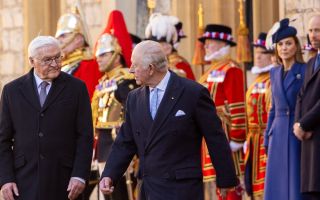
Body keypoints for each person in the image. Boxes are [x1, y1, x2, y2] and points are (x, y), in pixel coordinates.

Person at [99, 40, 239, 200]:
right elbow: (125, 142)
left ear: (151, 68)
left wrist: (226, 179)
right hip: (148, 188)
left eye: (135, 65)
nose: (130, 70)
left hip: (181, 189)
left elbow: (215, 138)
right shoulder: (134, 98)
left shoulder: (193, 92)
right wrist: (110, 174)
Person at [0, 36, 93, 200]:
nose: (55, 64)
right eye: (47, 60)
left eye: (58, 57)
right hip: (23, 182)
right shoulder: (11, 91)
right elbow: (3, 140)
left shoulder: (76, 88)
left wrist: (79, 175)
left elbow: (85, 136)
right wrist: (6, 179)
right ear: (31, 61)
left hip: (65, 181)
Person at [91, 10, 138, 200]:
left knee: (121, 194)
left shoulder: (125, 79)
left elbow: (132, 110)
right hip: (103, 143)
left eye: (104, 55)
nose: (99, 59)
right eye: (98, 55)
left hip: (119, 141)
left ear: (116, 55)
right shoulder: (103, 82)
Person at [198, 24, 246, 200]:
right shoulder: (208, 72)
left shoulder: (231, 69)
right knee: (213, 182)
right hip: (209, 133)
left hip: (225, 134)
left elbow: (238, 106)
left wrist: (237, 137)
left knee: (229, 183)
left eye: (210, 42)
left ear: (221, 43)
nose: (206, 46)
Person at [264, 18, 305, 200]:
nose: (284, 48)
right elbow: (273, 107)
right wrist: (267, 136)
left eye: (288, 43)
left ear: (296, 46)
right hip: (278, 132)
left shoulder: (305, 70)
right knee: (277, 182)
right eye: (280, 44)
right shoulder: (273, 73)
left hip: (297, 130)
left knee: (295, 179)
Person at [244, 32, 274, 200]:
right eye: (256, 54)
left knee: (266, 183)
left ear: (271, 56)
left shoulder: (272, 79)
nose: (257, 57)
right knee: (252, 184)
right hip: (253, 139)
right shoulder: (256, 81)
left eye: (262, 54)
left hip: (265, 138)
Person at [294, 14, 320, 200]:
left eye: (317, 30)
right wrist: (298, 124)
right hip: (309, 138)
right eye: (310, 30)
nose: (313, 35)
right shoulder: (311, 62)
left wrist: (304, 124)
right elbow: (301, 96)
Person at [55, 7, 102, 99]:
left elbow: (88, 97)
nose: (59, 41)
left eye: (63, 36)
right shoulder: (63, 64)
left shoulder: (89, 65)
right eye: (58, 37)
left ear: (78, 39)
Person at [145, 13, 195, 80]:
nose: (167, 46)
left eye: (166, 43)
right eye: (161, 44)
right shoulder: (146, 67)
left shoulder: (181, 66)